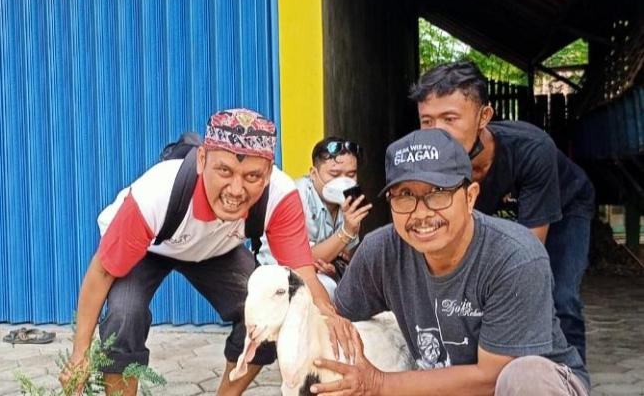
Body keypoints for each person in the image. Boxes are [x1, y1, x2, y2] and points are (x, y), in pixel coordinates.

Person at [59, 108, 353, 396]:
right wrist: (79, 355)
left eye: (252, 176)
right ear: (202, 160)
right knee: (125, 314)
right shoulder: (155, 195)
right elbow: (102, 272)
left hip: (217, 248)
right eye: (224, 171)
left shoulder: (280, 195)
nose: (236, 189)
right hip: (149, 247)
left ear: (267, 174)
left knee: (272, 308)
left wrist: (329, 316)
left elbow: (303, 275)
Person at [311, 129, 589, 395]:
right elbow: (336, 320)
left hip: (529, 388)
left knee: (524, 377)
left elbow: (490, 378)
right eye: (405, 195)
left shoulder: (514, 256)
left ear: (470, 197)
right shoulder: (381, 251)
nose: (421, 213)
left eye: (438, 193)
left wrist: (378, 384)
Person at [409, 61, 594, 363]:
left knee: (560, 297)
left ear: (484, 116)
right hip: (504, 209)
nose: (437, 133)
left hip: (568, 203)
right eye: (427, 121)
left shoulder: (533, 149)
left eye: (450, 118)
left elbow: (528, 252)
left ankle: (572, 376)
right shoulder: (427, 161)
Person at [256, 137, 372, 298]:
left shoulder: (350, 199)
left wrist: (335, 266)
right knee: (328, 288)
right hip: (277, 278)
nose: (344, 181)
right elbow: (302, 260)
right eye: (334, 174)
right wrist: (346, 232)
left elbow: (347, 256)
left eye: (351, 174)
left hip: (317, 275)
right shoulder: (296, 197)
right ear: (313, 174)